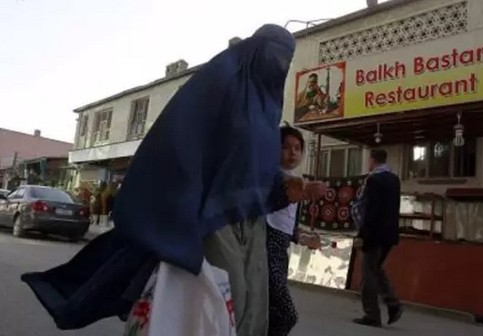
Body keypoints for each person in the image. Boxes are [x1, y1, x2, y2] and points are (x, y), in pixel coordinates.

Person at [21, 24, 315, 336]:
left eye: (288, 59)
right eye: (274, 54)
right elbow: (179, 143)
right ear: (255, 51)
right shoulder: (219, 83)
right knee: (226, 301)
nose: (279, 65)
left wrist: (283, 190)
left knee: (254, 308)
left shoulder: (268, 109)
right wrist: (183, 210)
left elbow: (255, 170)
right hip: (213, 220)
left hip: (252, 221)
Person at [266, 125, 317, 336]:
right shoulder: (270, 177)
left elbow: (290, 224)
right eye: (285, 147)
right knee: (287, 314)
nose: (292, 152)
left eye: (297, 148)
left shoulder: (298, 182)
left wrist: (304, 237)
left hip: (281, 250)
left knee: (269, 311)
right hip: (266, 250)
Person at [352, 149, 403, 327]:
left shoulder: (373, 180)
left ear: (372, 160)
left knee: (368, 274)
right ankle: (393, 302)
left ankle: (372, 314)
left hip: (373, 233)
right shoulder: (395, 179)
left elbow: (370, 209)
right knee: (376, 268)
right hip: (390, 234)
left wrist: (363, 234)